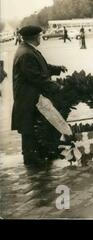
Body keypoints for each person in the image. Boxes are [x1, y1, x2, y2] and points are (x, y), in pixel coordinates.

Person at [11, 25, 67, 166]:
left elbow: (43, 67)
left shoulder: (28, 50)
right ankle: (30, 158)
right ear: (35, 37)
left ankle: (40, 153)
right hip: (28, 96)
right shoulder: (27, 54)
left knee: (33, 124)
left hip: (30, 95)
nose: (41, 38)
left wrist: (57, 69)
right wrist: (56, 87)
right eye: (40, 36)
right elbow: (36, 77)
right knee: (28, 126)